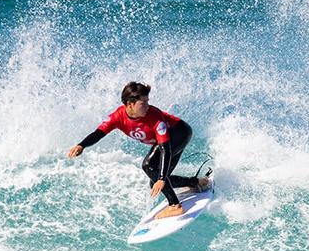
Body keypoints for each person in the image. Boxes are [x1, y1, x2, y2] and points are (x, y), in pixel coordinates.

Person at [67, 81, 210, 219]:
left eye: (148, 101)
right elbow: (98, 133)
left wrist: (161, 178)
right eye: (144, 103)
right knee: (155, 182)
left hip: (179, 133)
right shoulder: (118, 117)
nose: (148, 106)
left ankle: (174, 206)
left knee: (149, 167)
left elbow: (165, 149)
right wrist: (81, 145)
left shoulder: (154, 117)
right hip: (171, 140)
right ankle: (196, 183)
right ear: (130, 104)